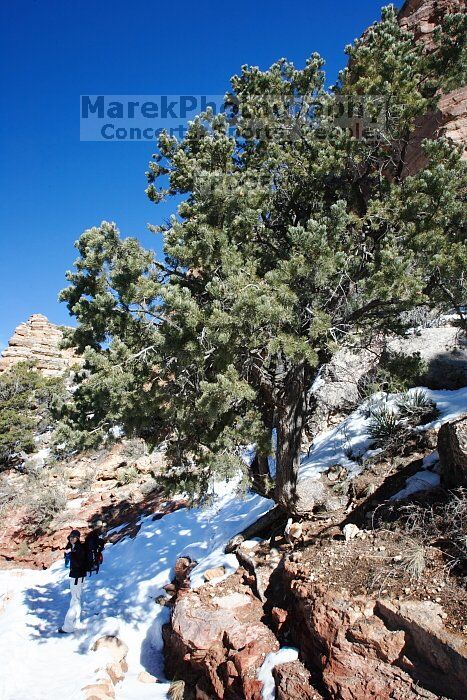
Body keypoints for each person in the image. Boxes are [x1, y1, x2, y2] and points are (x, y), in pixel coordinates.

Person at [58, 529, 87, 634]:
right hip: (79, 576)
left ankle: (68, 627)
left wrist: (71, 554)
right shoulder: (74, 548)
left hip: (77, 577)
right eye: (70, 537)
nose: (71, 539)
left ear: (78, 538)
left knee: (74, 600)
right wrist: (68, 554)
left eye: (74, 537)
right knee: (77, 599)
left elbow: (79, 563)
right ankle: (77, 623)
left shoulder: (78, 548)